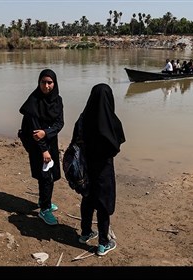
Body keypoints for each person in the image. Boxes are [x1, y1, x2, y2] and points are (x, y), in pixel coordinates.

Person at [71, 83, 125, 256]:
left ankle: (85, 233)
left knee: (87, 199)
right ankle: (103, 243)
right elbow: (117, 146)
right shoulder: (110, 121)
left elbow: (75, 141)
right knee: (103, 204)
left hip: (85, 169)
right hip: (103, 171)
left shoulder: (82, 118)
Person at [19, 69, 64, 226]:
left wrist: (47, 132)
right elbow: (34, 131)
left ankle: (43, 201)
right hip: (37, 144)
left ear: (54, 83)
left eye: (49, 82)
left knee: (50, 174)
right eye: (43, 82)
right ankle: (45, 210)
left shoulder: (57, 100)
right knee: (45, 176)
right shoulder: (33, 102)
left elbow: (60, 123)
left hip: (50, 141)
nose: (46, 86)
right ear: (39, 83)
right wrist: (44, 150)